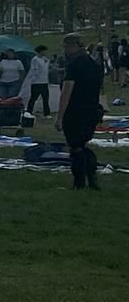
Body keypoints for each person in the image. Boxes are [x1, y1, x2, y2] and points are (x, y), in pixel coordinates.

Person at [57, 33, 104, 190]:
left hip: (75, 110)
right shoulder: (94, 63)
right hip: (91, 109)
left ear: (74, 46)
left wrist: (59, 116)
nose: (65, 50)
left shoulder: (74, 64)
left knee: (75, 147)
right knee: (83, 145)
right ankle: (92, 177)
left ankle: (79, 182)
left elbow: (67, 90)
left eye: (66, 46)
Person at [25, 45, 51, 118]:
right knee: (33, 98)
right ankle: (29, 111)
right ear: (40, 51)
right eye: (44, 50)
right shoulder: (35, 59)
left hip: (44, 82)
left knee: (45, 98)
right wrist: (33, 79)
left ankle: (47, 113)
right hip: (36, 82)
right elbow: (35, 70)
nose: (46, 52)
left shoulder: (45, 59)